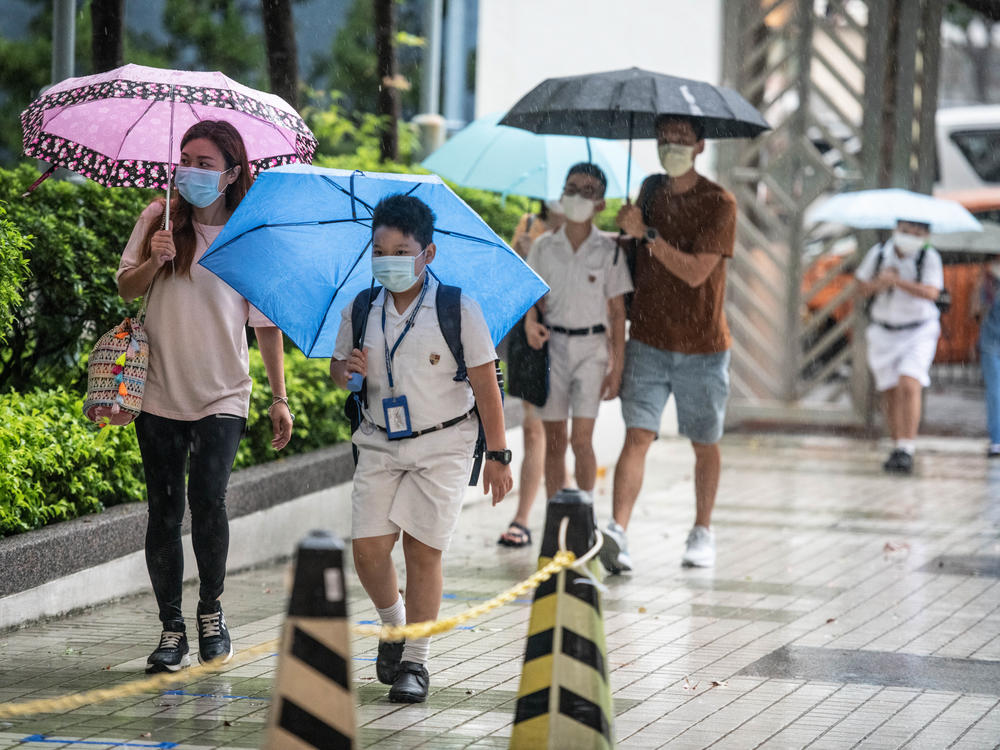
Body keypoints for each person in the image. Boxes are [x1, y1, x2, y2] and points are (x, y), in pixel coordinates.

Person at [116, 120, 293, 673]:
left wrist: (279, 398)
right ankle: (172, 628)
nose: (190, 170)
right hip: (158, 391)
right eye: (184, 158)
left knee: (208, 499)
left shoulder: (248, 236)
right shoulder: (158, 219)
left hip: (224, 394)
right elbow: (126, 286)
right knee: (164, 511)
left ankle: (210, 611)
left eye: (205, 163)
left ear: (232, 173)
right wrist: (155, 259)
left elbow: (265, 325)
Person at [330, 194, 512, 703]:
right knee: (367, 551)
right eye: (379, 248)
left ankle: (416, 662)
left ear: (426, 253)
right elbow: (337, 371)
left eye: (400, 249)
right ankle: (395, 626)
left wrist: (498, 456)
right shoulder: (362, 307)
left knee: (422, 551)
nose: (388, 258)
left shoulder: (458, 309)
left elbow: (486, 386)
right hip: (379, 442)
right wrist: (349, 371)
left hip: (445, 443)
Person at [602, 115, 737, 573]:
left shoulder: (719, 202)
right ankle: (617, 533)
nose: (671, 146)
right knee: (638, 434)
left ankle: (702, 529)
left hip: (703, 344)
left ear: (700, 145)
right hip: (648, 338)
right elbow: (633, 251)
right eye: (664, 139)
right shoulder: (650, 189)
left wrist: (648, 236)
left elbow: (698, 272)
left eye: (681, 139)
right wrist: (622, 232)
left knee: (704, 439)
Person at [523, 163, 631, 506]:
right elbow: (530, 299)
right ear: (561, 194)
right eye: (571, 188)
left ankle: (585, 514)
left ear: (600, 204)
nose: (577, 197)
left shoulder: (610, 251)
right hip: (553, 348)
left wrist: (617, 366)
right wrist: (529, 322)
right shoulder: (543, 248)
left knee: (581, 440)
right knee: (554, 440)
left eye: (588, 191)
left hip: (592, 350)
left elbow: (617, 312)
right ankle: (557, 518)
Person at [498, 199, 564, 547]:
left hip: (568, 336)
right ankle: (523, 518)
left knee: (562, 433)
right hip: (530, 338)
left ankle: (565, 514)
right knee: (534, 428)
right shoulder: (527, 224)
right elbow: (511, 287)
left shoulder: (582, 235)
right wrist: (522, 257)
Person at [855, 220, 943, 474]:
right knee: (891, 391)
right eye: (905, 232)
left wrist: (899, 282)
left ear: (926, 235)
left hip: (918, 330)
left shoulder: (929, 257)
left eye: (917, 234)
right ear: (896, 230)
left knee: (909, 382)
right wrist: (881, 282)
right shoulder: (880, 253)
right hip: (884, 331)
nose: (910, 237)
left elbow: (932, 292)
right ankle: (897, 447)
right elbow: (861, 287)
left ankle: (907, 447)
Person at [975, 257, 1000, 457]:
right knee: (995, 392)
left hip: (991, 342)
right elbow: (976, 312)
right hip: (991, 342)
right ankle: (997, 440)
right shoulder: (989, 284)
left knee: (995, 391)